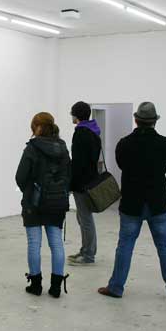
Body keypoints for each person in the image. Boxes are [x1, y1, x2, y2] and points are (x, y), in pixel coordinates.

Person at [98, 102, 166, 301]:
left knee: (125, 246)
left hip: (132, 202)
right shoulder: (164, 143)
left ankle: (116, 287)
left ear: (136, 120)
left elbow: (121, 165)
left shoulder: (124, 143)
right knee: (165, 247)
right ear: (154, 122)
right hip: (158, 202)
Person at [15, 112, 71, 298]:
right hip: (56, 203)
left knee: (34, 243)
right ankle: (56, 287)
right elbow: (68, 175)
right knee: (56, 243)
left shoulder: (32, 148)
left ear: (37, 127)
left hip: (34, 203)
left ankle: (36, 285)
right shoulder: (63, 148)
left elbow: (20, 177)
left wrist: (30, 191)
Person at [67, 101, 102, 265]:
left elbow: (78, 163)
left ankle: (88, 254)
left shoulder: (81, 133)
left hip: (82, 183)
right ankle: (86, 250)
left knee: (85, 218)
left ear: (76, 115)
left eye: (72, 113)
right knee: (83, 217)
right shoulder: (94, 131)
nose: (71, 116)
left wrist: (70, 184)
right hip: (91, 180)